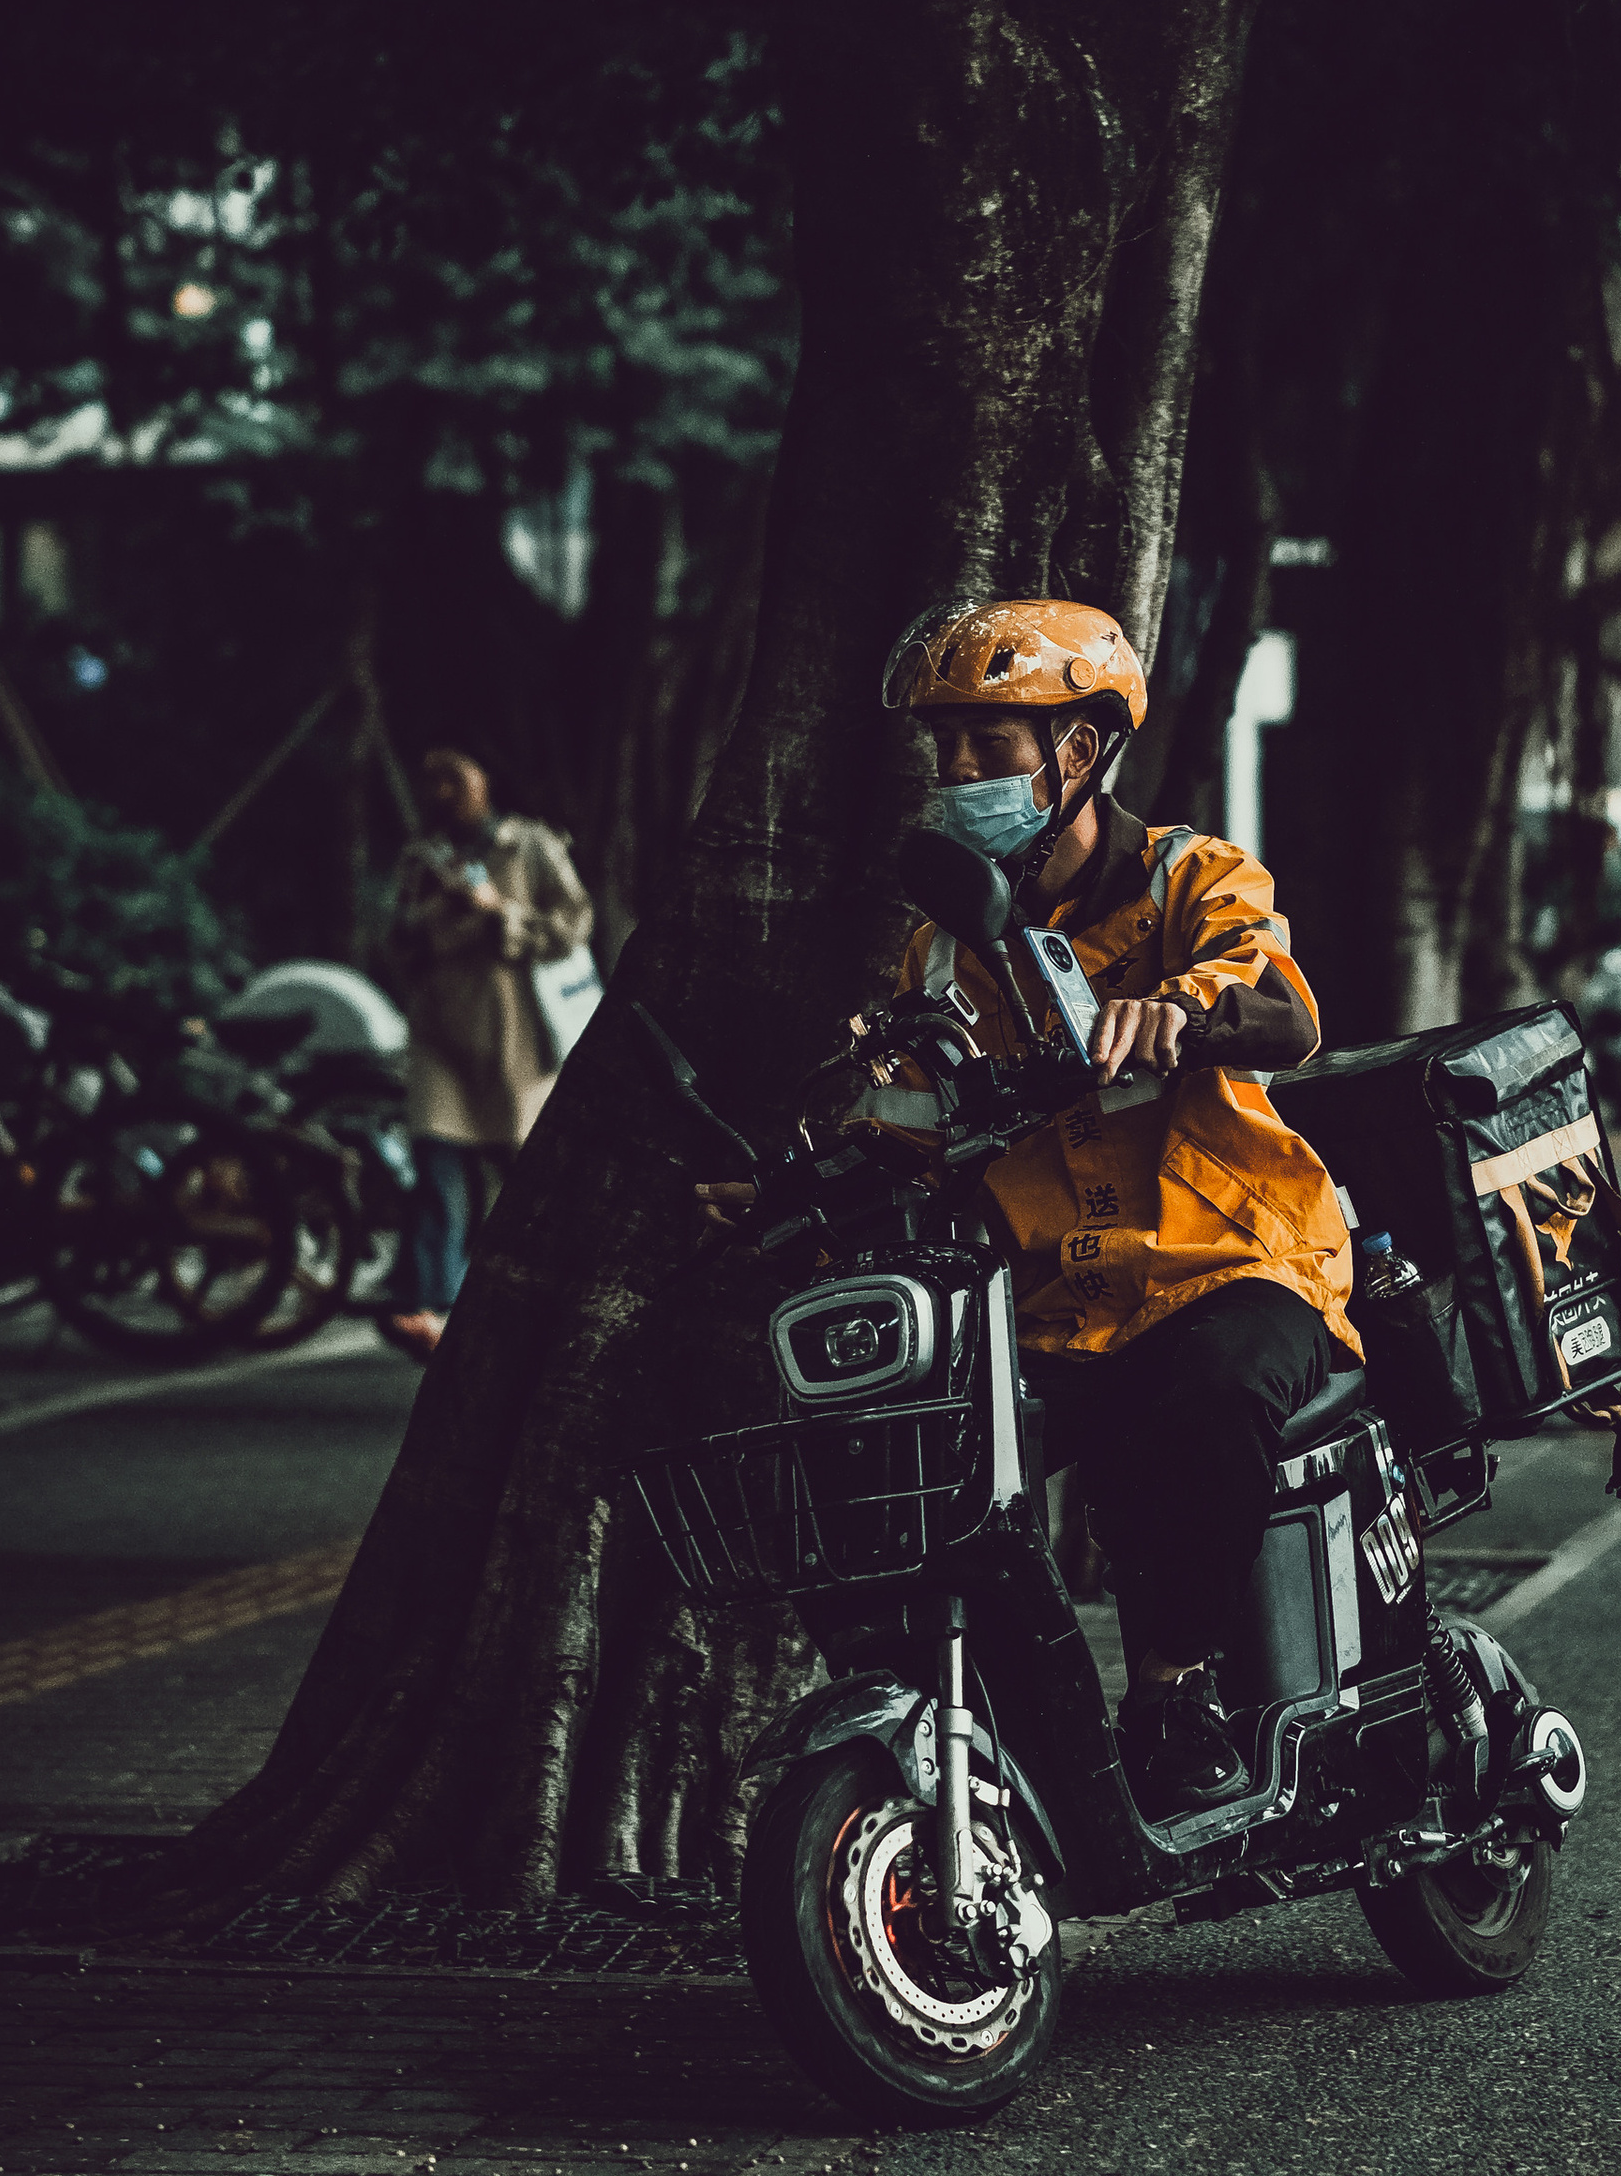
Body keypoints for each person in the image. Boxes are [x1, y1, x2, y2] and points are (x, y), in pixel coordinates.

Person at [700, 597, 1357, 1818]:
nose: (957, 774)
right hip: (1053, 1294)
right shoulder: (939, 952)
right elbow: (911, 1118)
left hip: (1236, 1261)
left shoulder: (1188, 877)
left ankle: (1173, 1698)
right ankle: (986, 1735)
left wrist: (1183, 1010)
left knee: (1202, 1402)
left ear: (1080, 750)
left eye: (990, 744)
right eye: (944, 747)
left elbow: (1283, 1008)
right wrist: (794, 1182)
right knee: (896, 1439)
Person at [382, 744, 592, 1357]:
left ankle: (549, 1304)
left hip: (516, 1039)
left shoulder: (531, 846)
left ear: (486, 777)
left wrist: (503, 916)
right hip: (440, 1037)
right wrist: (425, 919)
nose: (442, 791)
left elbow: (574, 925)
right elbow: (394, 942)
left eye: (454, 776)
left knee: (527, 1179)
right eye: (432, 780)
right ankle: (430, 1309)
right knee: (436, 1172)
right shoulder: (422, 859)